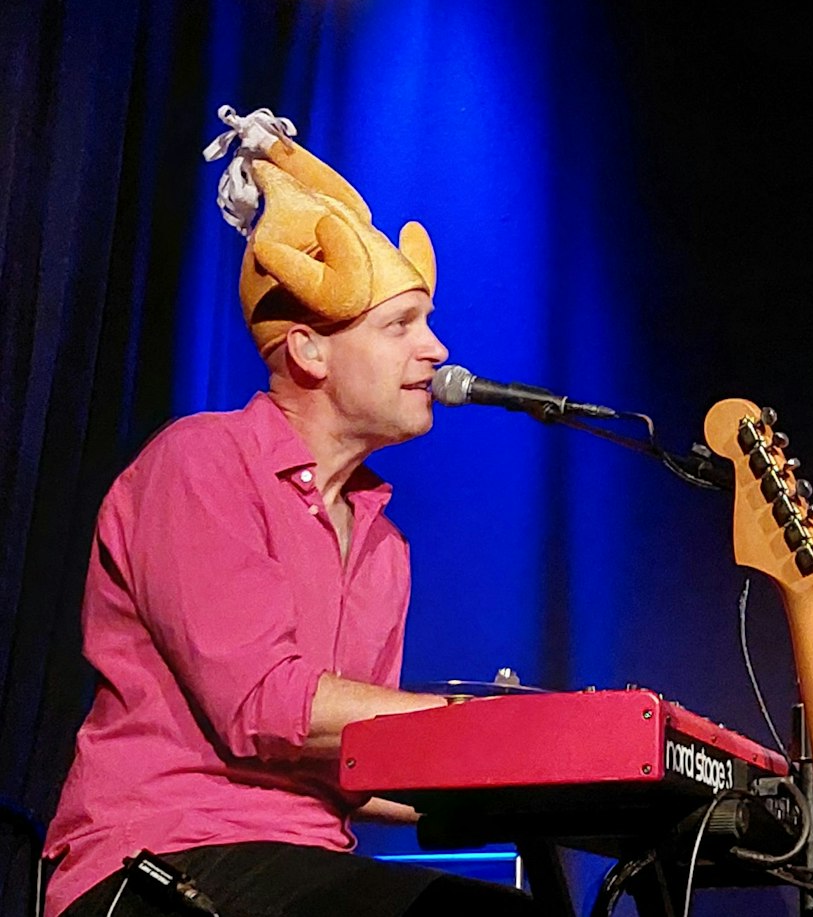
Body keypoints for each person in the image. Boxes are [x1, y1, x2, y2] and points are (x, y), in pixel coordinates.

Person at [42, 108, 536, 917]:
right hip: (158, 859)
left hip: (297, 864)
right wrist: (472, 724)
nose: (437, 350)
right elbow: (269, 705)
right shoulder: (201, 462)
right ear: (308, 350)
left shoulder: (384, 538)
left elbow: (359, 759)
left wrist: (565, 776)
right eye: (401, 325)